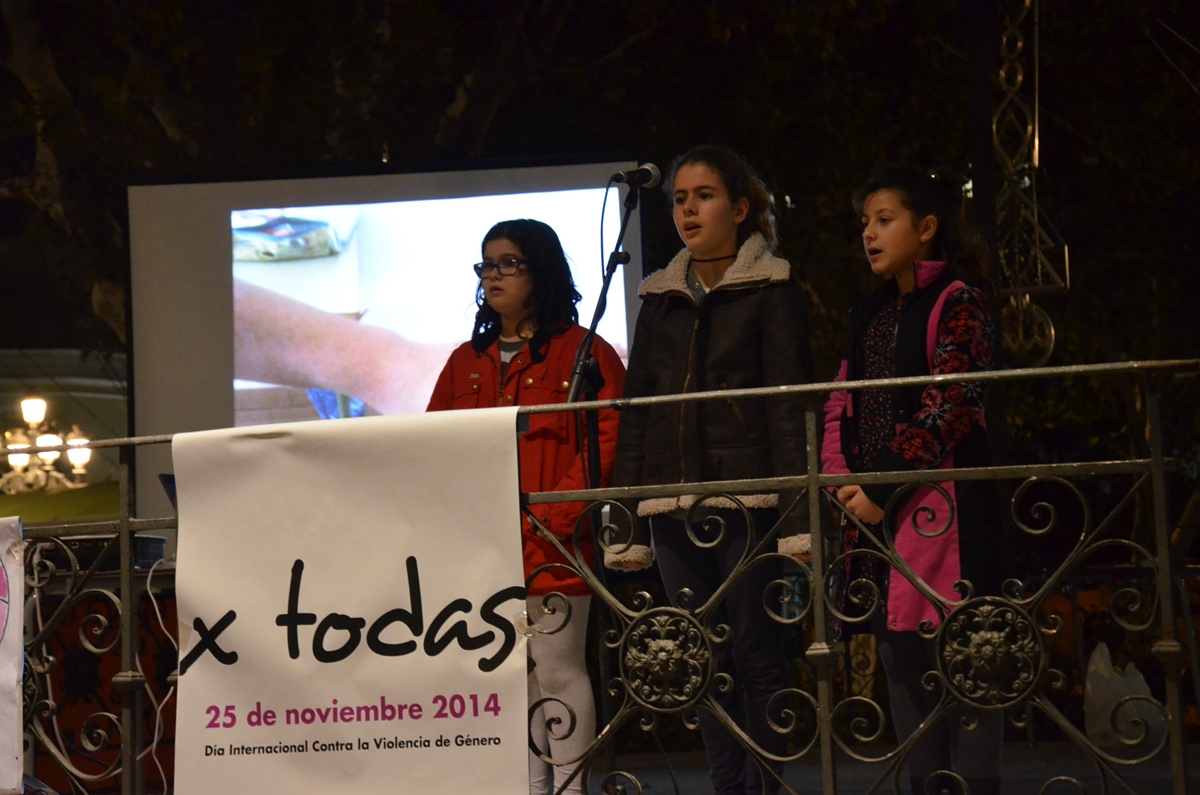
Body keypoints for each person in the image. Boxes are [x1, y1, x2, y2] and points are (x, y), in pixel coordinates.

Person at [608, 145, 813, 795]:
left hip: (746, 499)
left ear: (741, 208)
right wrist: (626, 518)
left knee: (756, 653)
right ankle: (729, 786)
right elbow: (636, 410)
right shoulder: (660, 296)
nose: (688, 209)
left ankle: (767, 786)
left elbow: (788, 407)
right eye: (679, 198)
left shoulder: (771, 289)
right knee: (701, 658)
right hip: (671, 503)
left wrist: (798, 518)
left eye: (704, 195)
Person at [426, 218, 626, 795]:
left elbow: (607, 437)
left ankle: (570, 787)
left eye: (509, 263)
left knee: (560, 671)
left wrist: (557, 518)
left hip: (554, 542)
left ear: (541, 271)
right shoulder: (466, 358)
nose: (494, 275)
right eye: (487, 264)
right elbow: (433, 446)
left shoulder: (583, 351)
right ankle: (531, 787)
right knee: (509, 678)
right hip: (482, 546)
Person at [821, 167, 1003, 795]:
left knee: (966, 656)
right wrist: (843, 484)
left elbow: (950, 402)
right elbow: (841, 403)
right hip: (876, 514)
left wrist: (880, 489)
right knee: (901, 658)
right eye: (864, 224)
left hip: (942, 507)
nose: (868, 234)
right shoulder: (868, 312)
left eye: (883, 220)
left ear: (926, 229)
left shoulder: (958, 299)